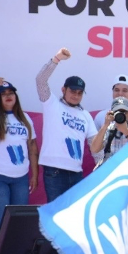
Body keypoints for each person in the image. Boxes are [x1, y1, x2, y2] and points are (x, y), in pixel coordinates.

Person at [0, 78, 38, 250]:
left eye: (10, 93)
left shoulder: (25, 118)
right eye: (3, 94)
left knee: (18, 222)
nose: (8, 96)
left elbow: (32, 146)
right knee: (0, 219)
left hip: (20, 177)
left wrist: (34, 174)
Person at [35, 47, 98, 202]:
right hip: (54, 170)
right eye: (72, 91)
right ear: (64, 89)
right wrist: (56, 59)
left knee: (73, 216)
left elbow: (95, 147)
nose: (76, 95)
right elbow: (40, 80)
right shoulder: (51, 104)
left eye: (79, 93)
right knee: (56, 215)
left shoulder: (86, 115)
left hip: (76, 171)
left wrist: (102, 168)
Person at [91, 96, 128, 168]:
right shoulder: (110, 127)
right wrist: (105, 125)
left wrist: (126, 132)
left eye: (124, 112)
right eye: (118, 112)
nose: (121, 115)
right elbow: (94, 149)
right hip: (111, 170)